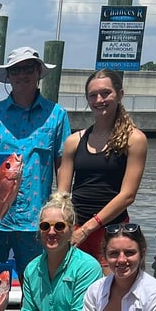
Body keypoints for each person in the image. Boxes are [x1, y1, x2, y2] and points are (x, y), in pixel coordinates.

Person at [0, 46, 71, 281]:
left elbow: (63, 162)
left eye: (28, 68)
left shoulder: (57, 114)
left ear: (38, 72)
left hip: (38, 222)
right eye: (16, 69)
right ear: (8, 76)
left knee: (38, 282)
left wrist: (61, 202)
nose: (22, 74)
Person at [57, 69, 148, 267]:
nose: (99, 99)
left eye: (106, 93)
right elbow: (62, 194)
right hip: (76, 229)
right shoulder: (74, 141)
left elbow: (128, 196)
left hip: (112, 231)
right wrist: (63, 226)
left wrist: (89, 228)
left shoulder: (135, 140)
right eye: (93, 95)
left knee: (112, 294)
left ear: (120, 94)